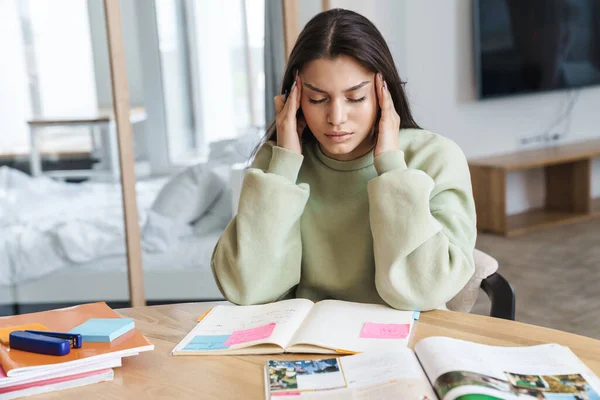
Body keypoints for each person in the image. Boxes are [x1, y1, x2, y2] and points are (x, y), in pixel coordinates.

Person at [210, 8, 476, 310]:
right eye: (317, 99)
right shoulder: (277, 165)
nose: (336, 118)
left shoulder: (435, 158)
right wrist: (284, 166)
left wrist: (391, 165)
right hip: (304, 346)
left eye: (356, 98)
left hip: (402, 346)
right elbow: (245, 288)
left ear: (383, 91)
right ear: (294, 100)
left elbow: (424, 291)